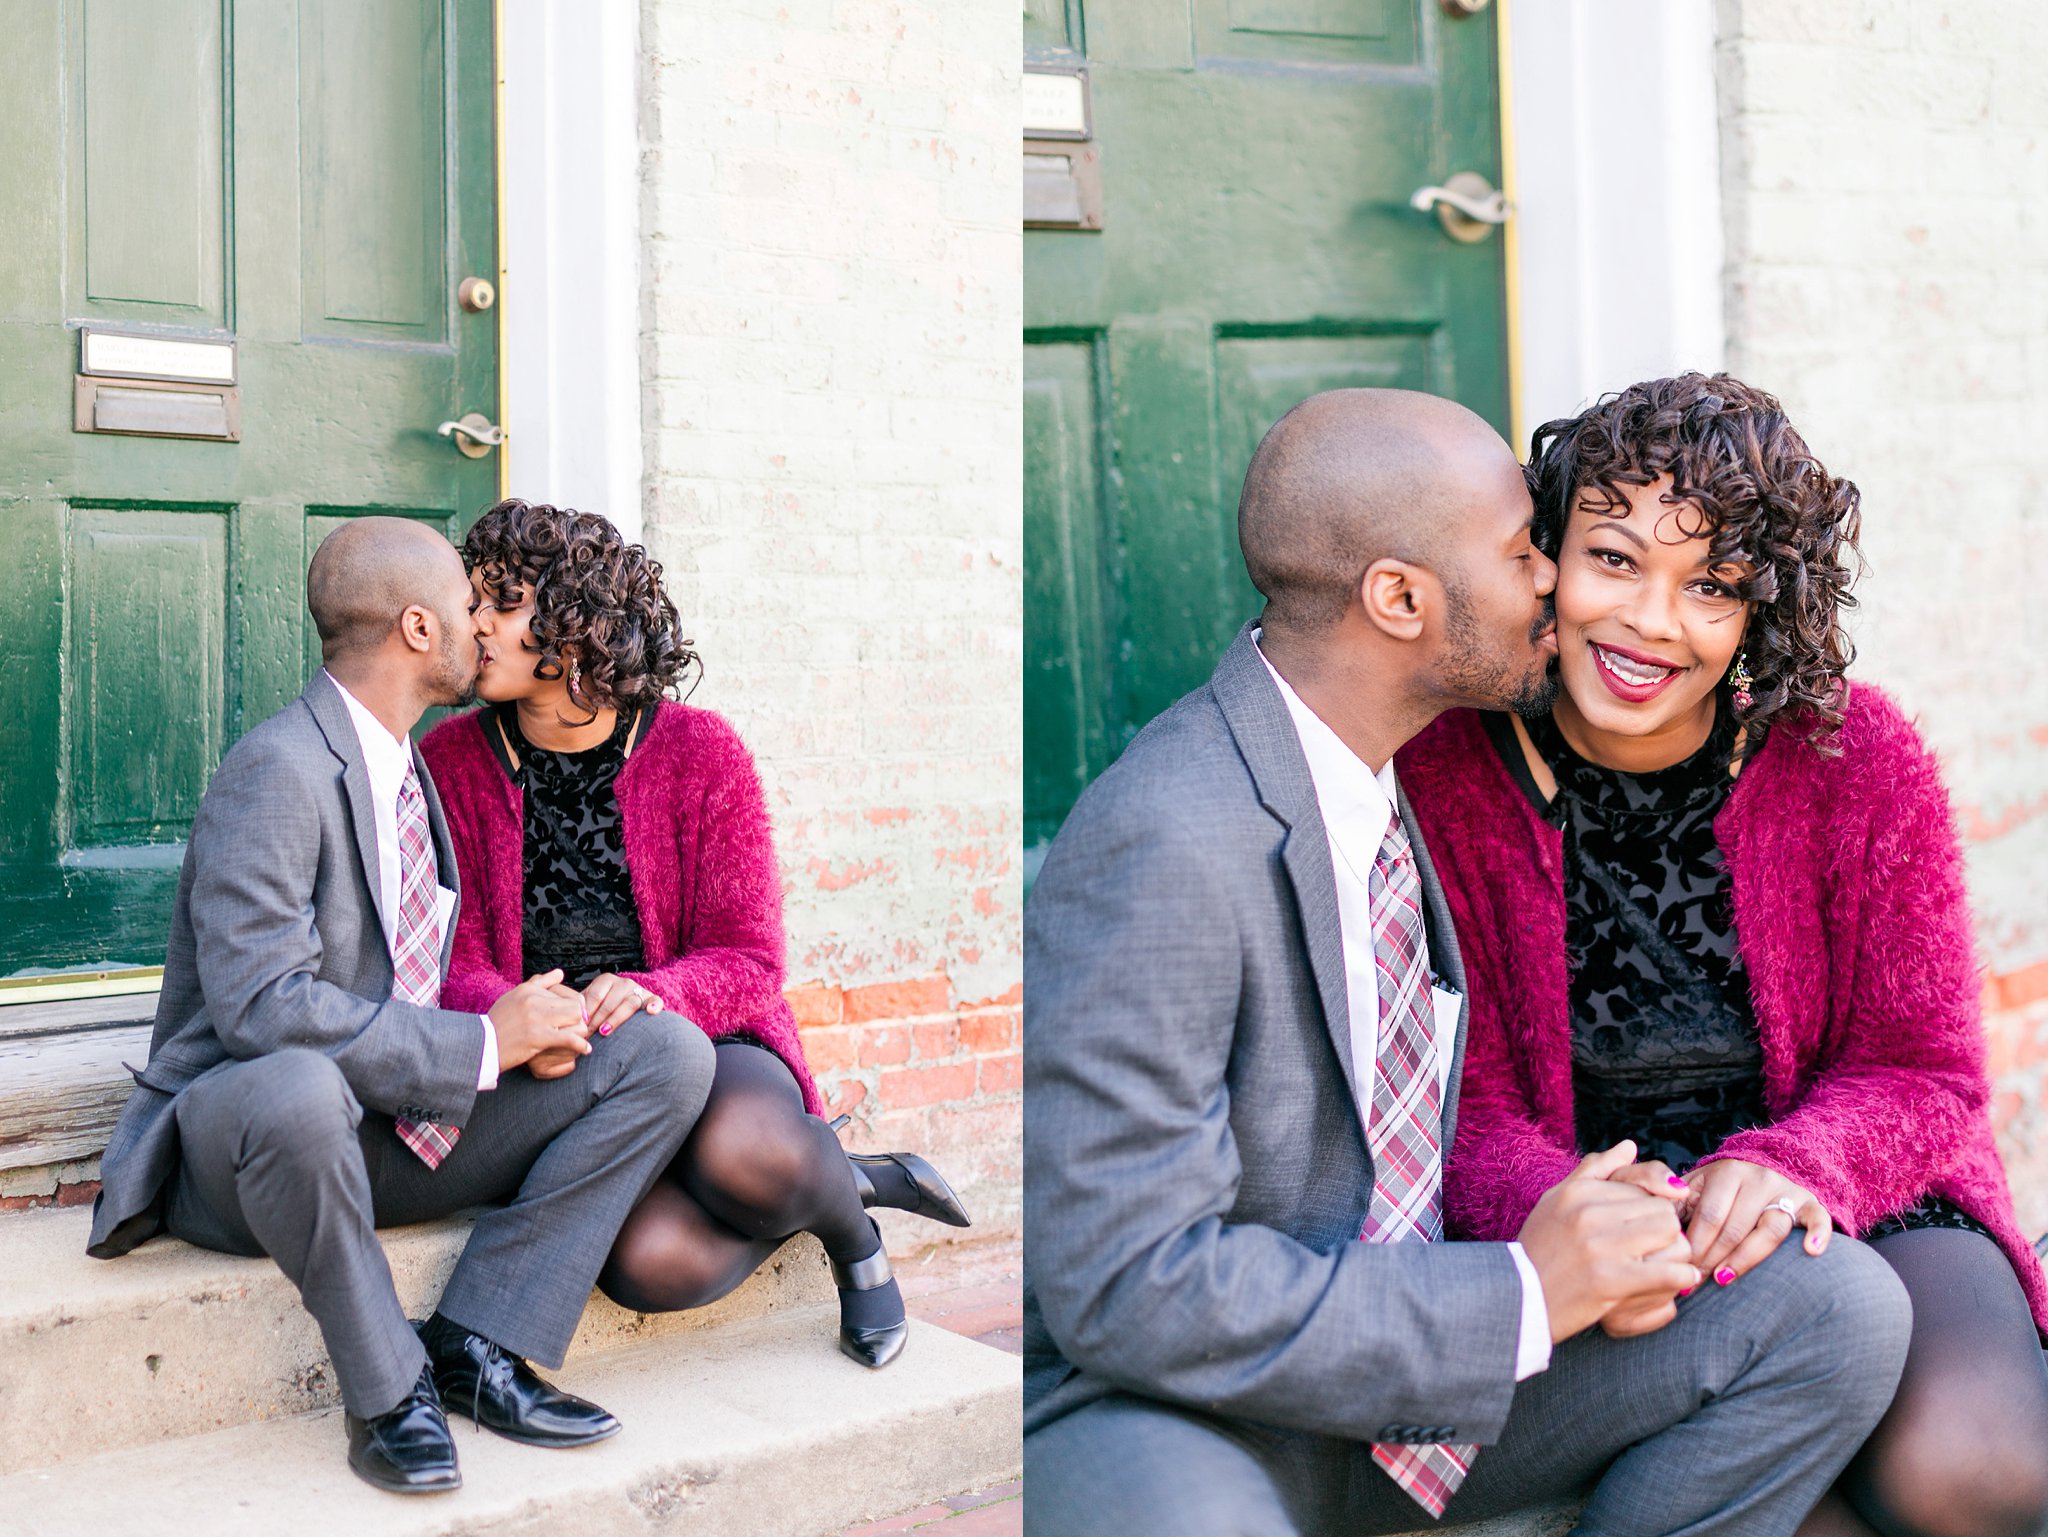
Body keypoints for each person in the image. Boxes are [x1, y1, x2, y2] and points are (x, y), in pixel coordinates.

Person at [1023, 388, 1915, 1537]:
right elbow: (1123, 1287)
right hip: (1183, 1409)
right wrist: (1527, 1287)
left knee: (1829, 1309)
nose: (1554, 581)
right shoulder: (1165, 837)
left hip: (1412, 1377)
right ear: (1399, 598)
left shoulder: (1384, 770)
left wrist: (1600, 1227)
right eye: (1520, 553)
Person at [1395, 372, 2048, 1537]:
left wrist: (1798, 1166)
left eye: (1709, 585)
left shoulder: (1853, 756)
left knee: (1976, 1477)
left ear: (1760, 611)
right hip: (1612, 1229)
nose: (1651, 620)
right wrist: (1576, 1211)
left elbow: (1923, 1072)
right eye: (1612, 559)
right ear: (1542, 556)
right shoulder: (1443, 771)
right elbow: (1461, 1108)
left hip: (1852, 1192)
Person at [85, 516, 720, 1494]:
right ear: (420, 629)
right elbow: (261, 1008)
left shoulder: (411, 768)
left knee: (665, 1054)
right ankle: (388, 1391)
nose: (491, 627)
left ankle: (481, 1337)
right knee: (298, 1086)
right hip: (247, 1142)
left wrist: (523, 1032)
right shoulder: (277, 769)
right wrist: (476, 1044)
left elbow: (413, 971)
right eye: (473, 606)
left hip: (381, 1123)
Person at [419, 499, 971, 1372]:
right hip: (565, 1067)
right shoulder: (450, 761)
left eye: (505, 600)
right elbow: (457, 958)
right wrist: (516, 1017)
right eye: (473, 599)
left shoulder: (700, 752)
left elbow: (750, 958)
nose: (474, 623)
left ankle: (851, 1233)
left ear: (576, 617)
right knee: (646, 1266)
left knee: (745, 1154)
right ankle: (851, 1171)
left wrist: (657, 992)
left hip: (711, 1041)